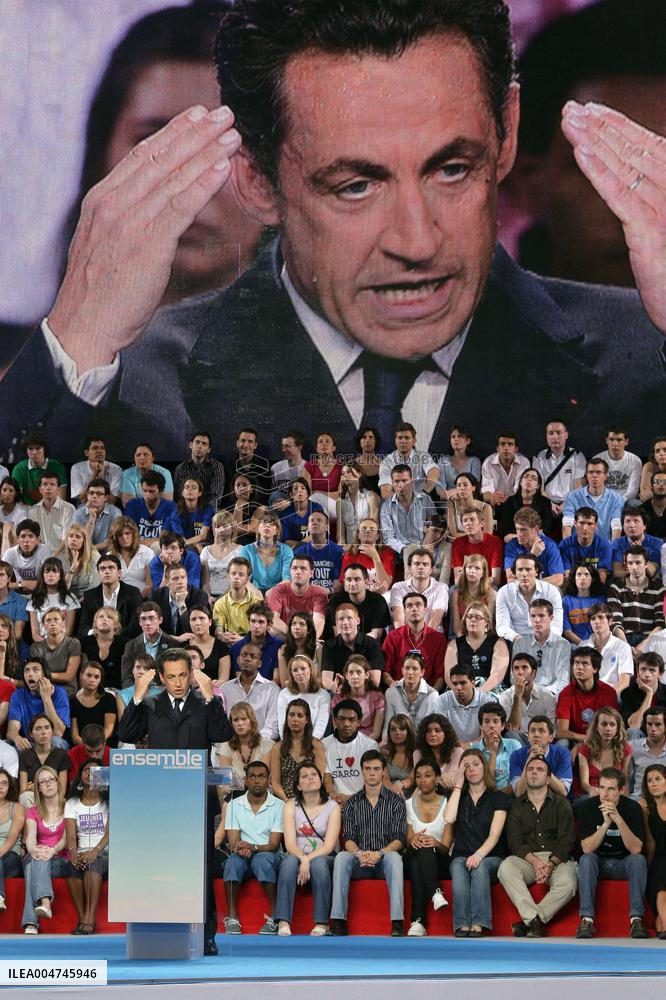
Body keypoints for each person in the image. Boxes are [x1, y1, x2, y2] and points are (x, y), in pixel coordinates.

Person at [14, 0, 666, 461]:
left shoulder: (647, 360)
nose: (417, 243)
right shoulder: (124, 383)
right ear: (257, 181)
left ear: (509, 134)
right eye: (356, 186)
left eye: (451, 169)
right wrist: (76, 339)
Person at [118, 647, 231, 954]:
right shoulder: (151, 704)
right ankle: (163, 928)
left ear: (191, 673)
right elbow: (126, 732)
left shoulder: (204, 702)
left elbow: (223, 735)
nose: (178, 683)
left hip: (197, 802)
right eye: (171, 677)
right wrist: (137, 697)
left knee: (202, 870)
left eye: (183, 675)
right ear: (162, 678)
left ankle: (207, 934)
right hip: (161, 804)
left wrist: (210, 697)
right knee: (163, 866)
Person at [330, 749, 406, 937]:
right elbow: (348, 838)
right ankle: (338, 921)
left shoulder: (396, 802)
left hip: (384, 861)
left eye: (376, 768)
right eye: (368, 768)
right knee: (341, 857)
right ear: (362, 771)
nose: (372, 773)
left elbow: (400, 839)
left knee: (395, 858)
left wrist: (379, 853)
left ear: (383, 772)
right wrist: (359, 854)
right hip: (360, 861)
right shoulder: (352, 803)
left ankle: (397, 922)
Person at [498, 756, 577, 937]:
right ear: (525, 775)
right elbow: (515, 841)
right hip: (528, 859)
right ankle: (534, 920)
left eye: (540, 770)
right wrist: (534, 861)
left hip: (556, 859)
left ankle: (532, 922)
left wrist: (550, 863)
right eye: (530, 769)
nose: (534, 771)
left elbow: (567, 840)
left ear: (549, 779)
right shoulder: (516, 805)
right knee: (506, 868)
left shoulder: (561, 804)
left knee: (569, 882)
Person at [576, 766, 648, 939]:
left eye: (611, 789)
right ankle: (587, 920)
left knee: (638, 860)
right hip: (597, 862)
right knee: (586, 859)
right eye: (602, 788)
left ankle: (636, 920)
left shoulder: (632, 808)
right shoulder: (588, 807)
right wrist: (606, 824)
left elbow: (636, 848)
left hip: (623, 862)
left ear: (621, 790)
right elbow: (586, 848)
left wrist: (618, 819)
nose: (605, 794)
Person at [444, 747, 509, 937]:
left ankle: (479, 923)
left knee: (479, 867)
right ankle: (462, 923)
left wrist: (479, 855)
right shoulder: (459, 797)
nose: (471, 769)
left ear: (484, 767)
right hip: (462, 855)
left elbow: (494, 835)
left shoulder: (499, 798)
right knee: (457, 866)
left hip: (491, 857)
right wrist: (458, 785)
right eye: (466, 766)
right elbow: (449, 818)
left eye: (475, 764)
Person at [274, 761, 341, 936]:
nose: (310, 778)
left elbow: (328, 846)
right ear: (298, 785)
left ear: (320, 779)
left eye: (314, 775)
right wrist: (303, 858)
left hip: (324, 855)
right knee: (288, 862)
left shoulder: (332, 807)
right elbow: (289, 844)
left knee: (319, 864)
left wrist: (308, 859)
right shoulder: (290, 805)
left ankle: (321, 922)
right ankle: (283, 921)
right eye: (304, 776)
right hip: (297, 854)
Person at [219, 761, 284, 936]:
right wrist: (240, 848)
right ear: (246, 781)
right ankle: (232, 916)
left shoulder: (279, 805)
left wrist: (252, 847)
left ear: (269, 780)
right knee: (232, 862)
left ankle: (274, 917)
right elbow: (233, 842)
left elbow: (273, 845)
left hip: (269, 855)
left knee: (262, 860)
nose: (257, 780)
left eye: (261, 776)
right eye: (252, 777)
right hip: (243, 853)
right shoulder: (234, 805)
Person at [404, 758, 453, 937]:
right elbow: (409, 839)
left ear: (437, 778)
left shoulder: (447, 803)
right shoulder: (408, 803)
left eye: (428, 776)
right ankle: (436, 893)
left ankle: (418, 922)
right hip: (412, 854)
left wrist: (434, 842)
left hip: (438, 859)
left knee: (422, 855)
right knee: (420, 849)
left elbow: (446, 848)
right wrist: (415, 839)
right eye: (418, 776)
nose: (422, 780)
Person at [21, 765, 69, 935]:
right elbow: (31, 835)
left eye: (51, 780)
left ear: (57, 782)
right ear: (39, 788)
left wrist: (53, 850)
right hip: (37, 853)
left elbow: (65, 838)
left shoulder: (68, 807)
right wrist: (33, 848)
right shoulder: (32, 811)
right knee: (34, 860)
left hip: (60, 857)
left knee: (30, 868)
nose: (48, 784)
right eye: (43, 782)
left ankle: (31, 923)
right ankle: (45, 903)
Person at [64, 758, 110, 935]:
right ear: (80, 775)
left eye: (95, 771)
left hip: (104, 852)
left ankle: (90, 919)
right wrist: (74, 854)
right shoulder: (72, 803)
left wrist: (95, 851)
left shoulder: (109, 801)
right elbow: (70, 835)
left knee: (93, 863)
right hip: (82, 852)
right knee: (71, 867)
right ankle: (82, 917)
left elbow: (109, 834)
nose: (90, 774)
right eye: (86, 771)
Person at [382, 593, 446, 691]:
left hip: (428, 692)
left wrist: (432, 694)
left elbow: (440, 674)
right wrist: (392, 684)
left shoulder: (438, 638)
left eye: (418, 605)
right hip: (398, 691)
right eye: (409, 606)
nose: (414, 608)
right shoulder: (393, 637)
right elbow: (385, 670)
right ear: (404, 611)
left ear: (426, 610)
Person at [556, 648, 618, 748]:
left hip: (603, 738)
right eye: (576, 663)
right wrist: (584, 739)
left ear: (595, 669)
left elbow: (611, 727)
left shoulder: (608, 692)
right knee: (562, 743)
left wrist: (592, 740)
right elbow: (561, 731)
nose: (579, 667)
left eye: (585, 663)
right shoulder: (565, 693)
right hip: (576, 739)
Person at [607, 546, 665, 653]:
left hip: (649, 638)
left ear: (646, 564)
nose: (634, 567)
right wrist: (625, 646)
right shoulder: (615, 588)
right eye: (630, 563)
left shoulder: (659, 589)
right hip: (624, 638)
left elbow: (660, 623)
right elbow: (615, 622)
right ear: (626, 565)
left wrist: (646, 643)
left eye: (638, 563)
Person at [495, 554, 563, 643]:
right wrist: (515, 638)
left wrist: (544, 639)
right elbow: (502, 626)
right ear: (515, 572)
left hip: (545, 640)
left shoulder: (551, 591)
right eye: (520, 570)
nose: (524, 574)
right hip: (514, 640)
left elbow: (557, 625)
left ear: (536, 571)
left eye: (528, 569)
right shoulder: (504, 592)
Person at [511, 599, 571, 698]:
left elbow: (563, 681)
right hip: (524, 694)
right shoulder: (519, 643)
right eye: (533, 616)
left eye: (541, 616)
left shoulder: (563, 645)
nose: (537, 620)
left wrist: (540, 694)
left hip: (552, 695)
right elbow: (514, 677)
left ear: (551, 618)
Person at [323, 700, 378, 805]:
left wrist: (350, 799)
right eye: (342, 719)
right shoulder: (324, 744)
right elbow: (327, 781)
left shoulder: (370, 746)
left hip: (363, 801)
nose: (346, 724)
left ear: (358, 722)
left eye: (352, 720)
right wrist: (335, 798)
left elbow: (373, 781)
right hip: (334, 802)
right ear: (335, 720)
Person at [7, 658, 70, 751]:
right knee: (10, 747)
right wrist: (17, 738)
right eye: (26, 670)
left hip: (51, 743)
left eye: (36, 670)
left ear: (45, 675)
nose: (30, 674)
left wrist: (46, 697)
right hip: (29, 744)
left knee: (55, 741)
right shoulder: (18, 695)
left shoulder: (59, 693)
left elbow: (58, 732)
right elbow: (12, 730)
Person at [219, 643, 279, 741]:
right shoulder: (225, 689)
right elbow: (221, 724)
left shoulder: (272, 690)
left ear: (259, 663)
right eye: (244, 655)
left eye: (253, 656)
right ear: (238, 660)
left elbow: (272, 727)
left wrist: (253, 743)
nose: (247, 659)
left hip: (261, 746)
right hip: (231, 745)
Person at [445, 602, 509, 693]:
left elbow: (497, 674)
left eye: (478, 617)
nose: (473, 620)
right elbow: (448, 674)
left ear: (486, 622)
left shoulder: (498, 643)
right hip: (459, 687)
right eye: (469, 617)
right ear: (465, 620)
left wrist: (479, 692)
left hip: (489, 687)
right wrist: (459, 689)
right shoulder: (454, 644)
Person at [270, 699, 326, 802]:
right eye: (291, 715)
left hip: (311, 800)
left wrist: (306, 802)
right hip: (284, 801)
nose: (295, 719)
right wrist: (288, 801)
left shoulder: (316, 746)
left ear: (307, 720)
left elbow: (319, 779)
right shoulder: (277, 748)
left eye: (300, 715)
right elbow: (276, 784)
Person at [321, 603, 384, 693]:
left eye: (349, 618)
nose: (345, 622)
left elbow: (375, 681)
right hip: (340, 693)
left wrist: (350, 686)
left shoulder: (372, 644)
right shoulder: (329, 645)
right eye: (341, 619)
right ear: (336, 622)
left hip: (366, 693)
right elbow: (326, 680)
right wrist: (333, 685)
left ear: (358, 620)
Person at [532, 421, 586, 520]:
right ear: (546, 436)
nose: (555, 437)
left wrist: (565, 505)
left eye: (559, 433)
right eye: (551, 433)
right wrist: (549, 504)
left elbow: (579, 487)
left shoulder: (577, 455)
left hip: (571, 504)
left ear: (566, 435)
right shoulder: (539, 457)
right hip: (546, 504)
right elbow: (539, 487)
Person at [119, 602, 181, 688]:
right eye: (143, 619)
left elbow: (176, 675)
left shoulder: (173, 644)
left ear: (160, 620)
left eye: (151, 618)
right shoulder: (130, 645)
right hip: (138, 693)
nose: (147, 623)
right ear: (139, 622)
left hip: (164, 693)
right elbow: (126, 678)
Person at [380, 465, 437, 558]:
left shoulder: (426, 500)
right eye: (397, 481)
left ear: (412, 480)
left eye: (404, 480)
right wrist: (404, 549)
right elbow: (387, 538)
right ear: (392, 483)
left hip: (424, 550)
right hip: (399, 554)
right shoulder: (386, 506)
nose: (401, 485)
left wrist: (424, 545)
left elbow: (434, 525)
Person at [508, 716, 572, 799]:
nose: (536, 734)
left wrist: (542, 761)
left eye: (541, 731)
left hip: (555, 802)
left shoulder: (563, 753)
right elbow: (519, 793)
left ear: (551, 737)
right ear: (528, 737)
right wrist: (530, 759)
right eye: (532, 731)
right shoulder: (516, 755)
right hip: (526, 803)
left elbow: (563, 791)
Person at [562, 458, 624, 542]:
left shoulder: (616, 498)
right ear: (587, 476)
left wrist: (613, 550)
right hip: (578, 548)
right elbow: (567, 524)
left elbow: (616, 527)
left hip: (604, 548)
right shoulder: (573, 496)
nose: (594, 476)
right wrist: (567, 547)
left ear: (605, 476)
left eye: (598, 472)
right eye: (591, 472)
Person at [266, 555, 328, 638]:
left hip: (309, 639)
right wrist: (293, 635)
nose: (298, 572)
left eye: (303, 569)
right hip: (286, 636)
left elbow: (318, 623)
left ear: (311, 573)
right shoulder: (278, 591)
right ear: (290, 571)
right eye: (294, 568)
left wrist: (305, 640)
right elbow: (273, 618)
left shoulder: (320, 594)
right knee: (272, 630)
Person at [212, 702, 274, 785]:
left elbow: (261, 778)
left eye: (244, 719)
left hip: (261, 793)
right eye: (235, 720)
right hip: (233, 794)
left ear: (252, 721)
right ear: (231, 724)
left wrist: (239, 781)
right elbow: (226, 781)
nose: (240, 723)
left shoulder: (268, 746)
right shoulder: (225, 746)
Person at [326, 563, 392, 641]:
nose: (352, 584)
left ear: (366, 582)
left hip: (369, 646)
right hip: (343, 646)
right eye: (349, 580)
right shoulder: (335, 601)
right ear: (344, 584)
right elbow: (338, 633)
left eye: (357, 579)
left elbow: (376, 634)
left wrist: (359, 642)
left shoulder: (378, 600)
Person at [500, 655, 557, 743]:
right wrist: (517, 696)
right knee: (511, 735)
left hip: (541, 740)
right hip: (519, 739)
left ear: (533, 673)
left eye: (524, 668)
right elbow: (513, 728)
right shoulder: (506, 696)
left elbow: (551, 731)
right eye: (516, 668)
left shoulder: (547, 697)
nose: (520, 672)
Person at [381, 653, 438, 742]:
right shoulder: (391, 693)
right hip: (398, 742)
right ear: (402, 670)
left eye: (414, 669)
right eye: (407, 668)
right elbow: (388, 726)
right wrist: (385, 742)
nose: (410, 672)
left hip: (422, 743)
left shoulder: (432, 695)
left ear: (422, 672)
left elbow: (430, 729)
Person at [577, 707, 631, 800]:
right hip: (593, 795)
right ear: (596, 727)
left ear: (617, 728)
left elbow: (624, 781)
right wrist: (591, 790)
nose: (608, 729)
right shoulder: (585, 749)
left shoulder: (625, 749)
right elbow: (584, 782)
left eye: (612, 724)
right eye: (604, 724)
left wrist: (624, 802)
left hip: (614, 796)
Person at [389, 548, 449, 632]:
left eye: (425, 564)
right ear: (409, 568)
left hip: (431, 636)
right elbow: (399, 621)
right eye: (417, 564)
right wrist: (407, 641)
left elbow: (436, 618)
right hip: (404, 637)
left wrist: (422, 641)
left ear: (431, 569)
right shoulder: (398, 587)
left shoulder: (441, 588)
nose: (421, 567)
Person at [580, 603, 635, 693]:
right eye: (593, 619)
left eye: (601, 617)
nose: (597, 621)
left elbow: (624, 683)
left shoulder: (623, 647)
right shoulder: (583, 646)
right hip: (587, 695)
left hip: (612, 696)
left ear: (610, 621)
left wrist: (603, 698)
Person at [503, 508, 564, 587]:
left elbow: (558, 579)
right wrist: (532, 556)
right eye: (517, 529)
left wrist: (530, 583)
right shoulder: (512, 546)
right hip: (521, 592)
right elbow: (511, 579)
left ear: (536, 529)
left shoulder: (550, 546)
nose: (519, 534)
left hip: (544, 591)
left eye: (523, 530)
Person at [378, 423, 439, 500]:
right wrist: (404, 503)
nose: (403, 441)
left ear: (414, 441)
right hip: (396, 505)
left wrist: (424, 493)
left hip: (421, 501)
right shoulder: (386, 462)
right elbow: (386, 493)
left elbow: (434, 472)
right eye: (400, 438)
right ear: (395, 441)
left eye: (407, 438)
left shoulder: (423, 456)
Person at [29, 607, 82, 696]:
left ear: (63, 623)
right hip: (43, 689)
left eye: (56, 619)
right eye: (48, 620)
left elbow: (69, 676)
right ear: (44, 625)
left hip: (68, 691)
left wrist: (45, 675)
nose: (52, 623)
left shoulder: (73, 643)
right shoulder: (36, 647)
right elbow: (36, 675)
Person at [277, 654, 331, 740]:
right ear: (291, 673)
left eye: (303, 669)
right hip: (290, 742)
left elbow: (320, 726)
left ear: (310, 669)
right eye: (295, 670)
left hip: (314, 742)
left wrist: (310, 743)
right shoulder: (284, 694)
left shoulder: (323, 695)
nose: (299, 673)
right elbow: (282, 724)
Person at [640, 763, 666, 939]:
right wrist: (647, 867)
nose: (653, 783)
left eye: (658, 779)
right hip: (656, 859)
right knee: (661, 888)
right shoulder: (644, 807)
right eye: (649, 780)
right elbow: (649, 843)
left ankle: (661, 922)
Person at [18, 715, 70, 804]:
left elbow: (62, 791)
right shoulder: (25, 754)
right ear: (31, 734)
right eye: (38, 729)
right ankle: (33, 817)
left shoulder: (61, 754)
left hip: (54, 798)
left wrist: (37, 787)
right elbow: (23, 790)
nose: (43, 732)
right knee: (24, 796)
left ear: (52, 732)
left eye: (47, 728)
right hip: (33, 798)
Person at [332, 655, 385, 741]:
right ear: (346, 676)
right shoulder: (338, 699)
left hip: (369, 742)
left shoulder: (377, 697)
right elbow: (337, 730)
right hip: (345, 742)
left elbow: (376, 733)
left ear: (366, 675)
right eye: (351, 673)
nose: (354, 677)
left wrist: (360, 745)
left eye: (359, 672)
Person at [470, 703, 521, 791]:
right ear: (481, 726)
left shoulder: (514, 745)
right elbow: (485, 786)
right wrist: (493, 752)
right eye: (486, 721)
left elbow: (520, 779)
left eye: (495, 721)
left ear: (503, 726)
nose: (491, 725)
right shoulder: (473, 751)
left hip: (512, 796)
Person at [27, 558, 80, 641]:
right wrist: (47, 644)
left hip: (63, 642)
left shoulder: (70, 598)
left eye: (55, 571)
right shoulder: (34, 599)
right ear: (43, 575)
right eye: (47, 571)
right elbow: (35, 633)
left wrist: (55, 643)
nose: (51, 574)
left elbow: (68, 631)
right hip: (42, 643)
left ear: (60, 576)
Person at [212, 556, 261, 645]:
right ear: (228, 576)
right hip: (228, 645)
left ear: (247, 579)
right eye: (233, 573)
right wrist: (222, 636)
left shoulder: (257, 602)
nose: (236, 577)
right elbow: (218, 630)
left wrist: (243, 640)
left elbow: (261, 632)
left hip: (251, 643)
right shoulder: (220, 604)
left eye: (241, 574)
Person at [239, 513, 293, 594]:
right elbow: (244, 579)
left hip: (280, 592)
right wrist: (257, 594)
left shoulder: (286, 550)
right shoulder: (246, 550)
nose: (267, 525)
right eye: (264, 522)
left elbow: (287, 580)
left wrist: (271, 594)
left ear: (277, 530)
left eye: (272, 523)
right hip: (253, 592)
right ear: (258, 528)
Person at [339, 518, 395, 594]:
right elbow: (346, 585)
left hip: (382, 595)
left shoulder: (386, 552)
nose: (368, 530)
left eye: (372, 529)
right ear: (358, 535)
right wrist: (369, 590)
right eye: (363, 528)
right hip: (357, 594)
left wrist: (376, 558)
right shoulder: (350, 554)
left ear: (378, 536)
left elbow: (386, 584)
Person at [437, 664, 489, 746]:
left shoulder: (485, 701)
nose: (458, 688)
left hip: (480, 748)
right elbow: (440, 734)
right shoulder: (442, 700)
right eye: (454, 684)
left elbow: (488, 734)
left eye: (463, 683)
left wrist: (470, 745)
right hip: (452, 748)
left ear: (473, 683)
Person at [125, 470, 183, 544]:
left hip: (160, 547)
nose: (147, 495)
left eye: (151, 491)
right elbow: (129, 533)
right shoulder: (132, 505)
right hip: (135, 546)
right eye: (145, 491)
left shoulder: (171, 507)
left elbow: (164, 536)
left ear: (161, 492)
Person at [559, 507, 612, 584]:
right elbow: (567, 578)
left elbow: (601, 580)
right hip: (572, 589)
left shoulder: (605, 546)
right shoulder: (564, 545)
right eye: (581, 523)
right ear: (575, 524)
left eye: (590, 524)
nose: (585, 528)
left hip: (596, 590)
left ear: (596, 525)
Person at [498, 468, 553, 541]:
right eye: (526, 476)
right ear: (520, 482)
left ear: (538, 486)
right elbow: (506, 530)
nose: (529, 479)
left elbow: (545, 529)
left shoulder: (545, 502)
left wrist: (525, 537)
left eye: (534, 478)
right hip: (514, 541)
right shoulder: (510, 501)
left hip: (536, 541)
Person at [69, 662, 117, 747]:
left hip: (104, 745)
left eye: (96, 677)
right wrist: (88, 746)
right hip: (81, 746)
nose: (92, 680)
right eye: (89, 675)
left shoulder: (108, 699)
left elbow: (109, 730)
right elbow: (75, 736)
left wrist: (96, 744)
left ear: (100, 679)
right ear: (81, 675)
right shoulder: (73, 701)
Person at [295, 511, 344, 594]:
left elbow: (339, 585)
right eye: (312, 520)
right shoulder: (298, 553)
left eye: (319, 520)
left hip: (330, 596)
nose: (315, 522)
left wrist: (327, 591)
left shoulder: (338, 551)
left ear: (327, 526)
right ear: (308, 527)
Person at [619, 652, 666, 738]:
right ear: (637, 672)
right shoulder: (628, 693)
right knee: (632, 732)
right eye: (643, 669)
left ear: (660, 674)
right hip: (640, 738)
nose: (647, 675)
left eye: (652, 670)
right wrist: (649, 694)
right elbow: (634, 725)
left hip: (663, 737)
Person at [11, 435, 67, 507]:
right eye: (30, 449)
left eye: (38, 448)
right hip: (26, 511)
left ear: (44, 449)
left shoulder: (58, 467)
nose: (34, 452)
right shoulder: (19, 469)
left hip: (52, 511)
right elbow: (16, 500)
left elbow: (61, 499)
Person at [174, 432, 225, 510]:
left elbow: (216, 496)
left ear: (209, 449)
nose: (200, 446)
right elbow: (180, 495)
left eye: (204, 444)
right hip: (187, 509)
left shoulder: (217, 466)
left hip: (209, 510)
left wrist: (202, 513)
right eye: (197, 442)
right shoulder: (181, 468)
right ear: (191, 445)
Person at [611, 507, 663, 581]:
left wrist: (640, 552)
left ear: (644, 526)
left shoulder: (657, 544)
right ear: (623, 526)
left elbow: (651, 572)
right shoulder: (617, 543)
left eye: (636, 521)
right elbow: (617, 573)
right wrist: (640, 571)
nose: (632, 525)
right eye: (628, 521)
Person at [200, 511, 242, 601]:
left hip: (233, 596)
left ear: (233, 528)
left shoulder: (240, 550)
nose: (221, 530)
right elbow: (205, 582)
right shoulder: (206, 551)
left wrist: (221, 599)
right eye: (217, 527)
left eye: (225, 526)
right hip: (210, 596)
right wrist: (208, 597)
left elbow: (241, 580)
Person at [450, 556, 496, 638]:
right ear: (464, 570)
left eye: (477, 568)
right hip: (462, 637)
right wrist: (465, 643)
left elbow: (488, 625)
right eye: (469, 567)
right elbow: (457, 628)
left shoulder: (491, 594)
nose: (472, 571)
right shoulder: (456, 594)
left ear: (483, 573)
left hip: (484, 637)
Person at [414, 714, 463, 792]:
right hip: (426, 796)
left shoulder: (457, 752)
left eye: (437, 730)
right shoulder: (418, 754)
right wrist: (442, 777)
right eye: (428, 731)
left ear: (446, 734)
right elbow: (420, 781)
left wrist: (433, 780)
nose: (433, 734)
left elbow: (453, 780)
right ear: (424, 735)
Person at [3, 520, 51, 595]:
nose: (26, 541)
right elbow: (2, 582)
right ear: (17, 539)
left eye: (31, 536)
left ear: (37, 540)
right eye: (23, 536)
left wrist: (14, 584)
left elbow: (50, 580)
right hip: (18, 592)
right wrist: (24, 584)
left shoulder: (45, 551)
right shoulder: (10, 553)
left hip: (41, 592)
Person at [481, 433, 530, 508]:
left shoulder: (524, 463)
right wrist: (492, 497)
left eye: (510, 444)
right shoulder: (488, 463)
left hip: (516, 504)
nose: (506, 448)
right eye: (502, 444)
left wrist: (507, 499)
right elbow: (486, 490)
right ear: (497, 448)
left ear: (516, 449)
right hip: (495, 503)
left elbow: (521, 490)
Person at [71, 479, 120, 553]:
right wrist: (92, 519)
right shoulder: (78, 513)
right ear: (87, 495)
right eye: (91, 493)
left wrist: (90, 549)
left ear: (106, 498)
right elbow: (80, 541)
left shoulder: (115, 512)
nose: (94, 496)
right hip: (84, 554)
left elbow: (111, 541)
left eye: (99, 494)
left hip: (107, 553)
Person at [106, 518, 153, 596]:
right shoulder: (109, 557)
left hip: (141, 599)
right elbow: (106, 586)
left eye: (127, 533)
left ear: (134, 534)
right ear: (115, 538)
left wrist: (136, 600)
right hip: (116, 600)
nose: (124, 537)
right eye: (120, 534)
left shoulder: (147, 553)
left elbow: (149, 586)